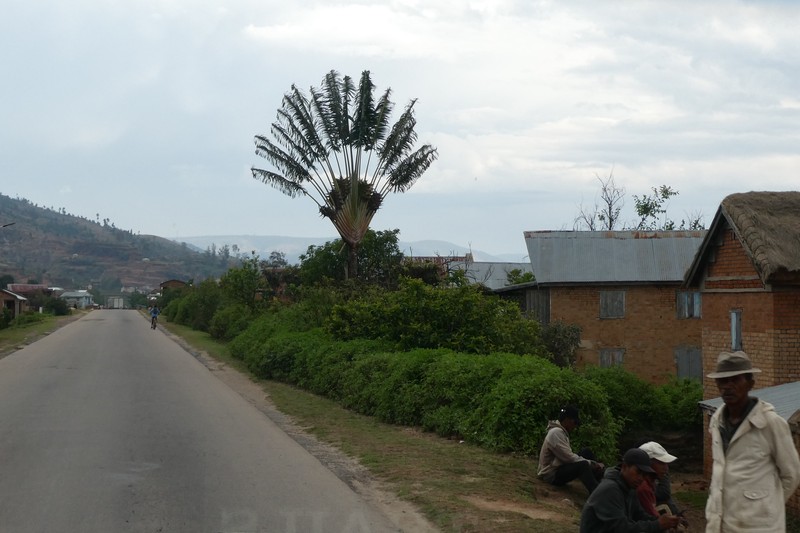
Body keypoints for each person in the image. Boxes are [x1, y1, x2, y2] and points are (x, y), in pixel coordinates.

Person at [705, 351, 800, 532]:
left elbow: (792, 474)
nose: (728, 386)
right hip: (721, 525)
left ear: (750, 383)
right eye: (723, 381)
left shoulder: (770, 423)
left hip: (759, 527)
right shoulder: (717, 421)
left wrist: (766, 507)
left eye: (735, 380)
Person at [580, 448, 682, 532]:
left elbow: (639, 514)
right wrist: (657, 525)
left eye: (644, 474)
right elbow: (622, 528)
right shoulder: (610, 489)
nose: (641, 478)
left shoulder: (630, 487)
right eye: (638, 472)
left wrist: (665, 521)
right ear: (625, 466)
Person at [537, 406, 604, 494]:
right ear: (567, 420)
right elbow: (569, 458)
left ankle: (601, 481)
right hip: (551, 474)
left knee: (586, 452)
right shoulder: (556, 433)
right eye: (575, 422)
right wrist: (592, 463)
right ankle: (597, 493)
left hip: (558, 466)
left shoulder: (560, 431)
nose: (575, 426)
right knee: (583, 465)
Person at [637, 441, 688, 531]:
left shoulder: (649, 483)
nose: (666, 468)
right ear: (648, 463)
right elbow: (651, 519)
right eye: (662, 463)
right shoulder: (643, 488)